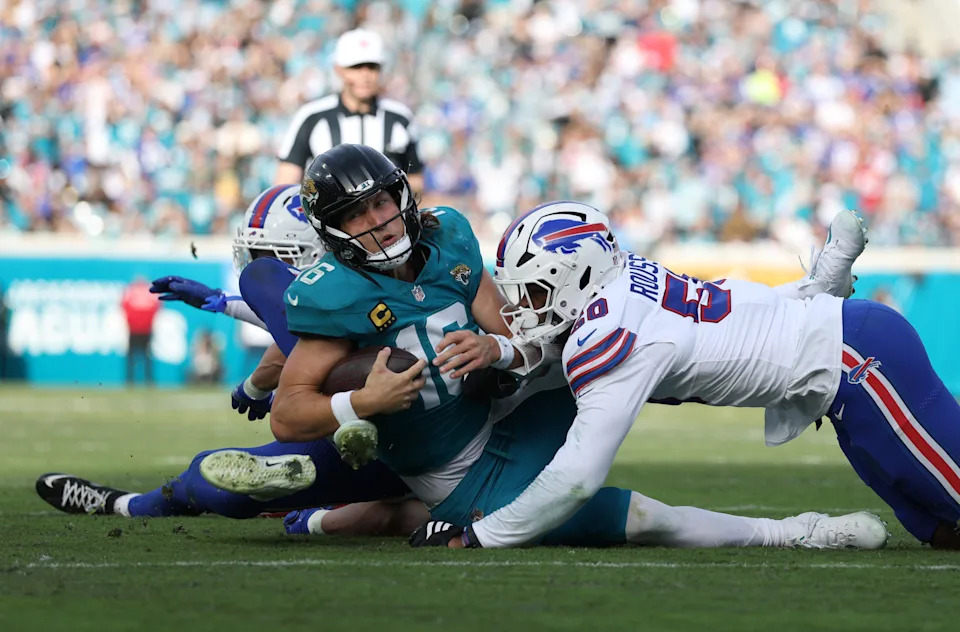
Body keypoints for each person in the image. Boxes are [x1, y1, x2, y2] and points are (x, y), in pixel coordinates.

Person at [196, 144, 886, 550]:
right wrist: (363, 401)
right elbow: (289, 415)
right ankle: (794, 531)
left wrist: (493, 352)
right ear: (332, 230)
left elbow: (520, 331)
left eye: (382, 202)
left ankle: (801, 300)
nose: (378, 221)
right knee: (632, 518)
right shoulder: (329, 293)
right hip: (456, 465)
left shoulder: (451, 237)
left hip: (502, 404)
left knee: (637, 333)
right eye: (357, 215)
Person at [408, 201, 959, 551]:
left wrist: (483, 535)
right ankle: (821, 284)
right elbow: (552, 352)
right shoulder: (622, 285)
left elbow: (576, 477)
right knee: (937, 527)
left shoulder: (609, 337)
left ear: (574, 275)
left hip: (854, 358)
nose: (524, 307)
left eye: (533, 291)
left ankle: (821, 286)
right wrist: (504, 353)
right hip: (836, 370)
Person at [35, 184, 419, 536]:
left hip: (397, 438)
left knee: (211, 476)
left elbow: (306, 342)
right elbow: (310, 341)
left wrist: (253, 381)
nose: (260, 262)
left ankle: (124, 505)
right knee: (224, 478)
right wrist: (234, 327)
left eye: (271, 253)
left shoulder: (353, 285)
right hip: (413, 452)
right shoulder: (392, 273)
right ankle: (323, 506)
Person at [274, 29, 424, 194]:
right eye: (356, 67)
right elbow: (286, 183)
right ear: (339, 69)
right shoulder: (312, 116)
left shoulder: (400, 118)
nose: (365, 75)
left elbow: (415, 182)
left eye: (372, 67)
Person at [120, 276, 160, 385]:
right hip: (144, 329)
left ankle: (132, 380)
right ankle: (147, 380)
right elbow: (158, 306)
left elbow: (124, 306)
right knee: (145, 357)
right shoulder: (149, 293)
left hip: (135, 329)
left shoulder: (131, 292)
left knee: (134, 357)